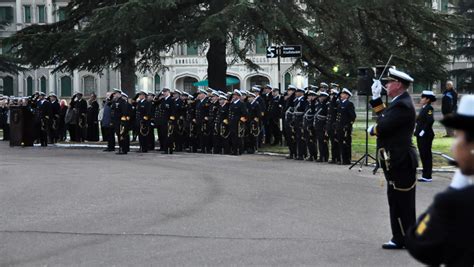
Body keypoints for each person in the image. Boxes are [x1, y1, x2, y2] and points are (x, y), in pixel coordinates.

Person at [406, 95, 474, 266]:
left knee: (426, 157)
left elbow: (419, 243)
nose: (454, 146)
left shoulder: (456, 201)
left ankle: (427, 174)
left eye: (458, 137)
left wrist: (459, 184)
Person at [369, 68, 418, 249]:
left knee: (400, 201)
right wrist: (376, 100)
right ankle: (403, 237)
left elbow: (383, 124)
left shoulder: (402, 105)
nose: (386, 85)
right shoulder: (399, 102)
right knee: (398, 200)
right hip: (397, 159)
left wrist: (373, 130)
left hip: (400, 160)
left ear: (397, 85)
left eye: (389, 82)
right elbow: (384, 116)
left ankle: (402, 238)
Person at [415, 91, 436, 182]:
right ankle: (425, 175)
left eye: (423, 98)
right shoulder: (423, 108)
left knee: (426, 155)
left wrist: (423, 131)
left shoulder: (429, 108)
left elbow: (430, 120)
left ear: (427, 100)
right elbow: (420, 120)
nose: (421, 99)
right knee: (423, 155)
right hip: (420, 135)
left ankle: (427, 176)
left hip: (426, 135)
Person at [336, 88, 356, 165]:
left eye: (343, 94)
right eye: (341, 94)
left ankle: (346, 160)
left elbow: (353, 116)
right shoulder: (340, 103)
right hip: (339, 126)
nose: (341, 95)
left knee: (346, 143)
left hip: (345, 127)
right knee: (340, 143)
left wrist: (348, 125)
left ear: (347, 96)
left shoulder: (349, 104)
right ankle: (341, 158)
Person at [156, 88, 176, 154]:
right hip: (163, 120)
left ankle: (169, 149)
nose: (163, 93)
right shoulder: (163, 100)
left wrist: (171, 119)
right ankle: (165, 149)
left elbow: (173, 110)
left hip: (168, 120)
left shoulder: (171, 100)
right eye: (163, 92)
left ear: (168, 92)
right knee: (163, 135)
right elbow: (155, 101)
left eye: (165, 92)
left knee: (169, 135)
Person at [229, 89, 247, 155]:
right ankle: (234, 150)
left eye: (235, 95)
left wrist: (241, 121)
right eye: (233, 95)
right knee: (233, 137)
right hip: (232, 123)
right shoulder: (232, 103)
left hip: (238, 123)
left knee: (238, 138)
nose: (234, 96)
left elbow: (245, 114)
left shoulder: (241, 104)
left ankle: (240, 150)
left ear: (239, 96)